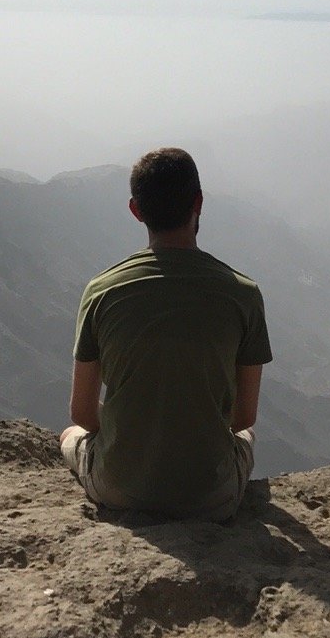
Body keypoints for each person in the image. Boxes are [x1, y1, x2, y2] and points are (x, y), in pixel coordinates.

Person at [60, 146, 272, 521]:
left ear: (136, 210)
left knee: (69, 435)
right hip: (211, 496)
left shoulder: (101, 291)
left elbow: (81, 411)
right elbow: (242, 417)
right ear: (199, 203)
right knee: (247, 438)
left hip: (119, 489)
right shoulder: (243, 294)